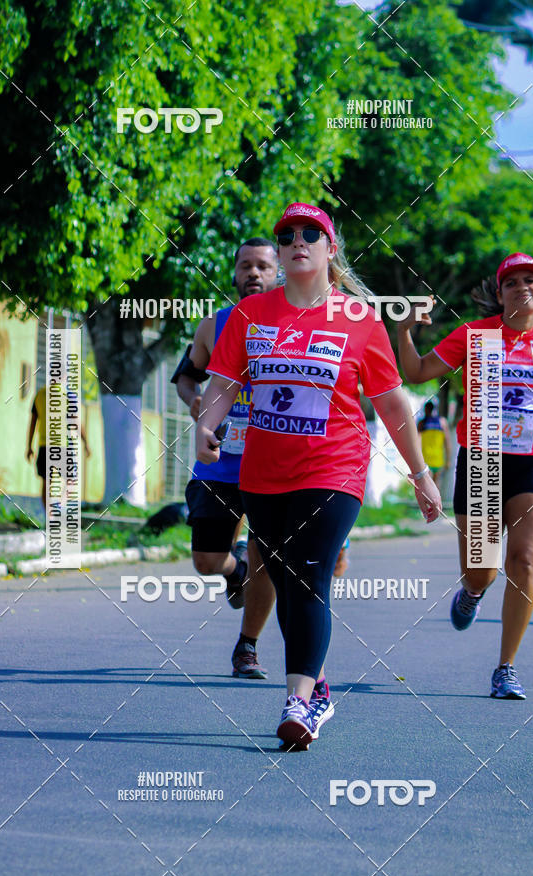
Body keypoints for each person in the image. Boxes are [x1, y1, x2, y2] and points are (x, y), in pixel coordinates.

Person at [196, 202, 441, 748]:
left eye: (311, 234)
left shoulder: (359, 318)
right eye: (287, 236)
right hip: (261, 473)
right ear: (280, 253)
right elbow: (223, 385)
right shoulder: (249, 314)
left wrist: (420, 474)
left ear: (331, 251)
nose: (297, 242)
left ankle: (299, 704)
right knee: (284, 583)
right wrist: (205, 427)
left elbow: (393, 404)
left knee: (307, 577)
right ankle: (319, 683)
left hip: (336, 467)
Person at [397, 252, 533, 699]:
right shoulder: (475, 335)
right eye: (511, 282)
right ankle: (471, 594)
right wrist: (403, 330)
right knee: (482, 572)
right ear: (500, 293)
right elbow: (416, 372)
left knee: (525, 561)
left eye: (530, 280)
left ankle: (505, 668)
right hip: (481, 463)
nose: (521, 287)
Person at [174, 238, 278, 679]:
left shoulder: (294, 327)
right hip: (219, 459)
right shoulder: (212, 326)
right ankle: (233, 571)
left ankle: (247, 646)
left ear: (279, 274)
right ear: (234, 274)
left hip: (276, 463)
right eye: (245, 266)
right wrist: (195, 400)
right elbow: (186, 377)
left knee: (268, 556)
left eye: (262, 266)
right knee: (206, 561)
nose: (253, 273)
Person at [26, 385, 90, 509]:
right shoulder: (68, 394)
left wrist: (29, 446)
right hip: (63, 446)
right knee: (71, 480)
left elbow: (33, 422)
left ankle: (50, 515)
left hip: (44, 446)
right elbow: (75, 421)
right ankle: (59, 507)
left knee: (47, 482)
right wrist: (86, 442)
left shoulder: (40, 394)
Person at [417, 400, 451, 488]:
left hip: (426, 459)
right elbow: (447, 442)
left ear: (425, 409)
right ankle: (435, 502)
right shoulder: (442, 422)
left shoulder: (422, 423)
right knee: (436, 486)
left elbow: (417, 442)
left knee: (429, 486)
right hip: (438, 459)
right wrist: (448, 459)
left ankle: (430, 501)